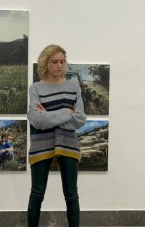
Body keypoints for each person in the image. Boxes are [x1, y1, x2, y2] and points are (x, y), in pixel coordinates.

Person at [27, 44, 87, 227]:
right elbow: (36, 120)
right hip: (41, 145)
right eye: (55, 62)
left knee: (71, 194)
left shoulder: (73, 85)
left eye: (62, 61)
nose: (59, 66)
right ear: (46, 63)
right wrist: (64, 111)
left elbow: (79, 118)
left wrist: (49, 115)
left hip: (68, 144)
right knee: (37, 193)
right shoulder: (35, 88)